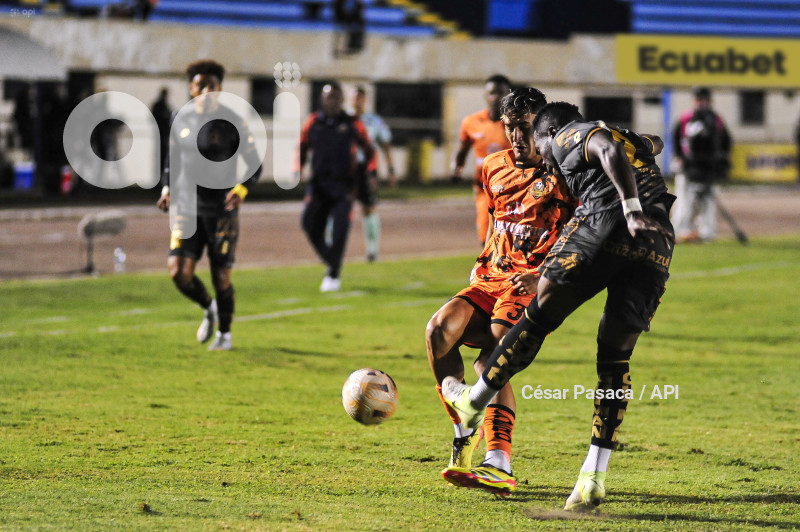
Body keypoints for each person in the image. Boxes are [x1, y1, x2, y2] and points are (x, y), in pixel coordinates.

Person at [442, 102, 675, 511]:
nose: (547, 161)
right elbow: (651, 142)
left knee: (541, 311)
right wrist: (637, 145)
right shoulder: (622, 136)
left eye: (541, 145)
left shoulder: (569, 133)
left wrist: (630, 209)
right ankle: (592, 477)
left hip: (611, 220)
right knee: (615, 358)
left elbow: (605, 147)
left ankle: (475, 401)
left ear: (549, 133)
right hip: (657, 242)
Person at [427, 88, 576, 495]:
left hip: (532, 284)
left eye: (524, 127)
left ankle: (499, 462)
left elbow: (583, 235)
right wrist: (485, 261)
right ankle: (464, 428)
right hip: (490, 278)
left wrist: (543, 273)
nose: (516, 136)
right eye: (509, 127)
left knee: (492, 357)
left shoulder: (564, 173)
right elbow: (498, 221)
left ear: (542, 126)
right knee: (438, 330)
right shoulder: (493, 166)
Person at [157, 59, 262, 351]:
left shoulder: (233, 121)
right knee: (178, 272)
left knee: (221, 276)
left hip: (221, 210)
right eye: (200, 85)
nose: (205, 90)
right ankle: (209, 307)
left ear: (220, 88)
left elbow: (254, 164)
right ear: (191, 88)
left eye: (211, 85)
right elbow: (171, 160)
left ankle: (225, 334)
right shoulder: (180, 117)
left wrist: (241, 189)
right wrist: (167, 188)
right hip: (187, 207)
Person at [299, 82, 373, 292]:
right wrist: (298, 168)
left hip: (344, 188)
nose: (333, 101)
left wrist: (371, 173)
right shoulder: (313, 122)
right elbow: (302, 147)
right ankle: (331, 259)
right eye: (329, 97)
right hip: (319, 186)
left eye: (337, 97)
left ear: (342, 100)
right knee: (308, 223)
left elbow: (369, 150)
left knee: (340, 229)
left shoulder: (353, 123)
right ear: (322, 99)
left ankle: (333, 274)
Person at [452, 75, 513, 246]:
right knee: (486, 237)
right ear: (485, 95)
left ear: (509, 95)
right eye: (491, 93)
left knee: (514, 239)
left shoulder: (516, 125)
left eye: (500, 93)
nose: (495, 97)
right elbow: (462, 149)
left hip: (514, 188)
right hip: (485, 188)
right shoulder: (471, 122)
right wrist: (456, 168)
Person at [671, 87, 731, 243]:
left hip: (708, 168)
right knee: (685, 201)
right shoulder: (686, 118)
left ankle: (707, 232)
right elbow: (675, 139)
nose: (702, 103)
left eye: (705, 100)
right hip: (688, 167)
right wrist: (679, 158)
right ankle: (680, 230)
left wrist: (722, 161)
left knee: (707, 202)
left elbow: (726, 142)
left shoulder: (716, 120)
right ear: (694, 101)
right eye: (699, 100)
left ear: (710, 101)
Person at [350, 85, 396, 263]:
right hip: (346, 168)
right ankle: (331, 248)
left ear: (365, 100)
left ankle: (372, 251)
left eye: (360, 98)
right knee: (337, 206)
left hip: (367, 170)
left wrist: (391, 170)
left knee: (368, 208)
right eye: (355, 98)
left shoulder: (374, 121)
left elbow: (385, 145)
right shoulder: (344, 119)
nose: (357, 101)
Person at [151, 87, 172, 175]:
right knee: (161, 156)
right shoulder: (160, 106)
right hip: (161, 134)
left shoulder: (163, 106)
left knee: (162, 156)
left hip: (163, 134)